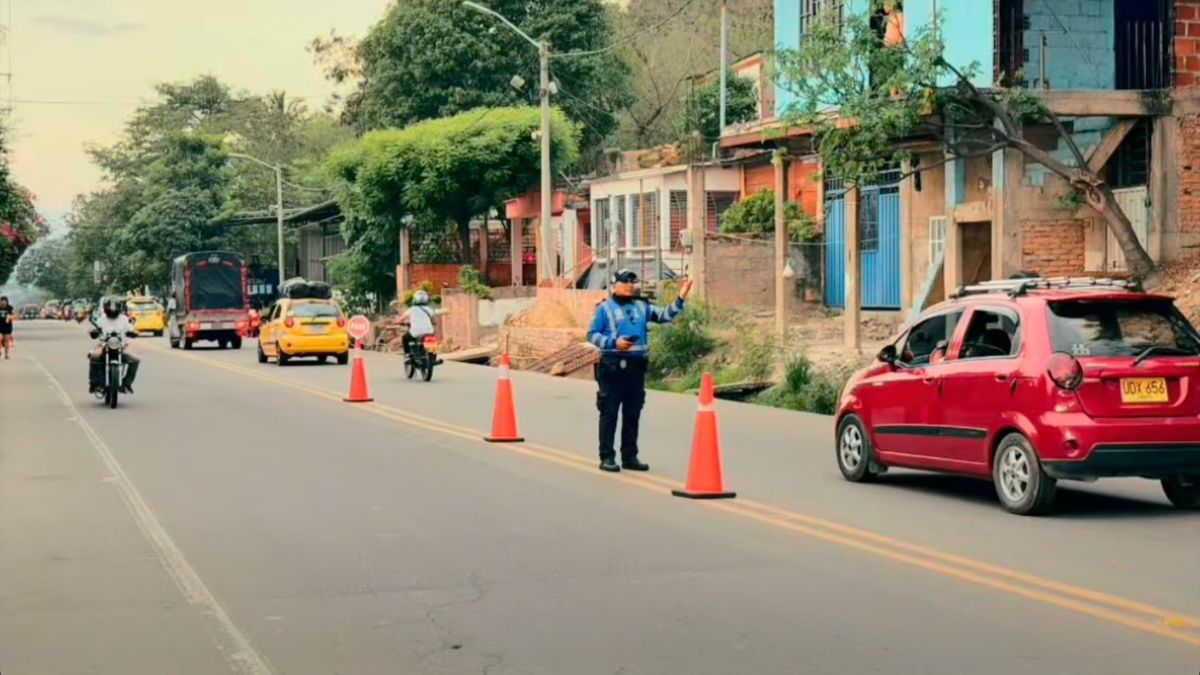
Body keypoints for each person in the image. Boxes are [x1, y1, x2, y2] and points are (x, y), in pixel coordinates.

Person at [587, 269, 693, 473]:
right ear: (614, 285)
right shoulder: (604, 309)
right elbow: (591, 334)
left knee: (632, 413)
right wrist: (613, 343)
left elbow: (664, 316)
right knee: (609, 412)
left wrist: (681, 297)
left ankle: (630, 456)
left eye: (632, 282)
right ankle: (607, 456)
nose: (630, 285)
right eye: (625, 282)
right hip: (613, 365)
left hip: (636, 367)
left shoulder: (641, 307)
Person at [88, 297, 140, 394]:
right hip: (104, 345)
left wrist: (134, 333)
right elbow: (94, 330)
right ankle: (93, 382)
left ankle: (127, 383)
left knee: (135, 359)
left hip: (120, 346)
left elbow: (131, 329)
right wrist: (93, 332)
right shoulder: (102, 319)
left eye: (115, 308)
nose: (112, 310)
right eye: (110, 308)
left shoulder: (124, 319)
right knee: (94, 356)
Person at [399, 290, 437, 358]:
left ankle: (407, 354)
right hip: (429, 332)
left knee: (405, 337)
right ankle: (432, 354)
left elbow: (401, 319)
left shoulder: (412, 309)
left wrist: (399, 322)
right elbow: (434, 321)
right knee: (432, 338)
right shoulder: (430, 309)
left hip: (415, 332)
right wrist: (433, 323)